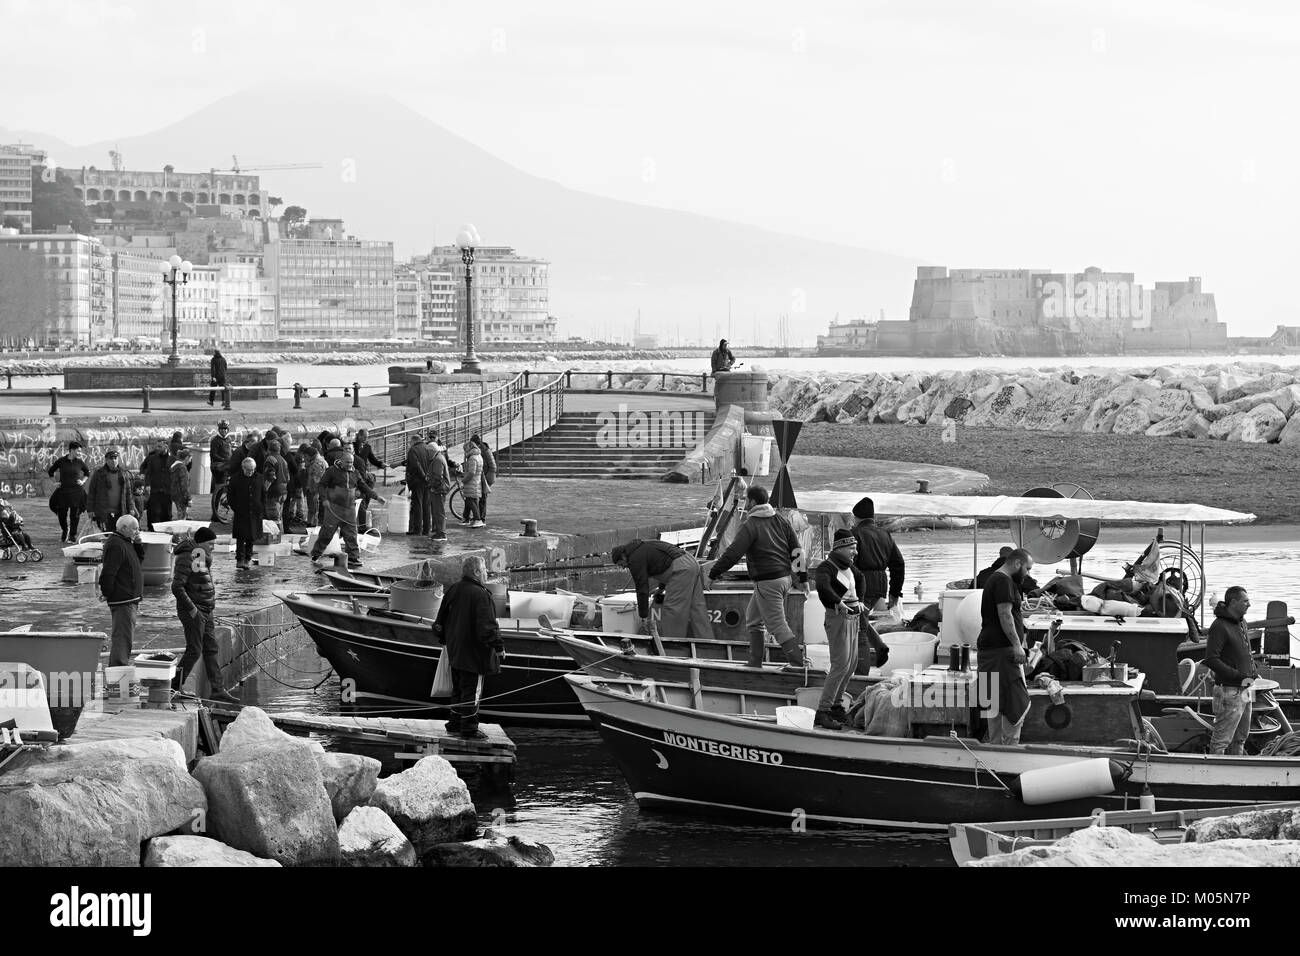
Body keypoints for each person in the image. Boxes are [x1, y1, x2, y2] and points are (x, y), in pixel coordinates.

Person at [707, 485, 805, 668]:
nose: (745, 502)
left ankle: (799, 666)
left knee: (777, 625)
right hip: (785, 578)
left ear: (752, 502)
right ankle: (754, 662)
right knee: (753, 618)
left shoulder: (750, 525)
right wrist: (803, 578)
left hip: (768, 581)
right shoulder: (781, 520)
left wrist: (714, 573)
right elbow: (797, 549)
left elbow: (733, 553)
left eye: (745, 499)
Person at [432, 555, 504, 740]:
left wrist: (444, 639)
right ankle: (469, 728)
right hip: (474, 653)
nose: (487, 572)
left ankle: (455, 723)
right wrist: (498, 646)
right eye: (485, 569)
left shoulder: (454, 589)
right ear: (476, 572)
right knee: (472, 691)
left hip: (455, 650)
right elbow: (487, 626)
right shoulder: (481, 594)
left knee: (458, 689)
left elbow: (440, 621)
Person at [171, 527, 238, 704]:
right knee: (194, 650)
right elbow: (177, 587)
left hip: (206, 610)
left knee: (211, 649)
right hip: (193, 611)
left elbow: (200, 582)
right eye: (211, 543)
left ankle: (217, 690)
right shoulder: (188, 556)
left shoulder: (199, 555)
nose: (213, 547)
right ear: (200, 543)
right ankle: (174, 686)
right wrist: (193, 610)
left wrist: (208, 606)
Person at [976, 547, 1034, 746]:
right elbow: (1004, 614)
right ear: (1017, 563)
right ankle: (1010, 750)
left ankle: (995, 749)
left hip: (989, 651)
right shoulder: (1003, 581)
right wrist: (1017, 645)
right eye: (1027, 568)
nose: (1028, 574)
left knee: (993, 703)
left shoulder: (995, 578)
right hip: (1002, 653)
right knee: (1014, 703)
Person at [813, 530, 870, 729]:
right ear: (840, 548)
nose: (855, 552)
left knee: (851, 664)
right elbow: (822, 586)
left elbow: (861, 579)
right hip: (838, 618)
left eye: (855, 548)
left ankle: (836, 706)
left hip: (853, 618)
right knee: (839, 666)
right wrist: (837, 601)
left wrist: (860, 601)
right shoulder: (826, 567)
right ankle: (823, 711)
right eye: (852, 548)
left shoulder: (849, 568)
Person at [612, 539, 713, 640]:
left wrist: (643, 616)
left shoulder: (634, 559)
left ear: (623, 556)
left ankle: (672, 646)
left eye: (621, 564)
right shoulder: (644, 546)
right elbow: (664, 563)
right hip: (692, 563)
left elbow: (642, 588)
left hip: (681, 570)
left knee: (672, 610)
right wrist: (660, 589)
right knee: (697, 608)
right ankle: (708, 643)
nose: (624, 567)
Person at [1204, 586, 1257, 756]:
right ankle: (1214, 776)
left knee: (1241, 737)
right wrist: (1238, 676)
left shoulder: (1242, 622)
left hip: (1247, 688)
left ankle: (1237, 771)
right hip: (1229, 690)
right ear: (1233, 602)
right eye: (1245, 601)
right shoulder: (1219, 626)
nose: (1249, 604)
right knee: (1221, 740)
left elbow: (1245, 652)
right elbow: (1211, 659)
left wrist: (1253, 672)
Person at [311, 452, 383, 569]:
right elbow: (321, 486)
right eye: (347, 462)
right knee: (327, 533)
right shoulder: (331, 471)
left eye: (351, 462)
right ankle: (316, 554)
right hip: (333, 508)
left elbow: (363, 486)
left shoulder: (355, 473)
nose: (350, 465)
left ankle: (353, 557)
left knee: (352, 533)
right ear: (341, 461)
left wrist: (376, 497)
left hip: (349, 509)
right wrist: (324, 499)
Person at [99, 515, 144, 666]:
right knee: (122, 639)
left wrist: (138, 544)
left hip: (129, 598)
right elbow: (108, 573)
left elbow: (139, 560)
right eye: (135, 529)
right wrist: (107, 592)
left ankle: (119, 673)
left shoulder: (126, 542)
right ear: (124, 528)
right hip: (123, 599)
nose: (137, 532)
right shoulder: (115, 545)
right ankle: (117, 675)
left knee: (125, 638)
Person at [849, 497, 905, 612]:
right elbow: (899, 564)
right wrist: (894, 593)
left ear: (856, 518)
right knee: (871, 621)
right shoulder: (885, 534)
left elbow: (848, 564)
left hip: (862, 586)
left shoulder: (854, 534)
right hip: (880, 587)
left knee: (859, 623)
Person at [47, 440, 90, 542]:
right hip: (63, 491)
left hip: (77, 492)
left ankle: (72, 535)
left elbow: (87, 473)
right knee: (62, 514)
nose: (80, 453)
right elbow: (50, 471)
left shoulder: (79, 462)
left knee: (75, 514)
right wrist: (55, 482)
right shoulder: (61, 461)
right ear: (71, 450)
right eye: (78, 451)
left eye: (80, 451)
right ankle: (65, 530)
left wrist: (83, 481)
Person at [86, 448, 136, 532]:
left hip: (120, 511)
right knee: (106, 535)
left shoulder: (124, 473)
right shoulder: (99, 473)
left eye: (115, 458)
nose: (113, 461)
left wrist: (131, 507)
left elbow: (128, 492)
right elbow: (92, 492)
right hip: (103, 511)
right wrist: (90, 509)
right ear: (106, 460)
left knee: (119, 533)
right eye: (111, 458)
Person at [227, 457, 264, 570]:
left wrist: (261, 507)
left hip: (255, 512)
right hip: (241, 511)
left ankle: (248, 558)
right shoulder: (235, 479)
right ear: (243, 468)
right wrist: (236, 508)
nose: (250, 472)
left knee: (251, 537)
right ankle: (240, 559)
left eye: (252, 469)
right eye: (248, 470)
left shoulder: (259, 477)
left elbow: (263, 494)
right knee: (241, 536)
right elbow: (230, 496)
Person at [352, 429, 385, 532]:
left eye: (368, 437)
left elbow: (372, 459)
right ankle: (360, 525)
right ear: (359, 436)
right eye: (365, 437)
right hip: (354, 473)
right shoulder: (352, 445)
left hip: (363, 473)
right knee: (360, 496)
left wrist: (380, 464)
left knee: (365, 493)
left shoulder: (367, 447)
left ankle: (364, 510)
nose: (367, 439)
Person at [404, 432, 435, 535]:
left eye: (410, 442)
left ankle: (417, 530)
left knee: (418, 505)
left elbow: (415, 465)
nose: (409, 444)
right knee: (426, 506)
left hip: (418, 481)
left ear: (414, 441)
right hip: (427, 481)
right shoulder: (427, 448)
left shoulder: (413, 450)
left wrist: (423, 476)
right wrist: (428, 477)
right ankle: (426, 529)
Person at [141, 437, 174, 530]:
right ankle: (152, 531)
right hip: (154, 491)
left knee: (167, 515)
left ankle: (165, 533)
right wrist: (147, 485)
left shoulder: (173, 459)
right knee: (154, 513)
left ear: (166, 446)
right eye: (156, 446)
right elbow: (148, 473)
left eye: (159, 446)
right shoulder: (152, 458)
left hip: (167, 492)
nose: (157, 448)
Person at [261, 439, 289, 533]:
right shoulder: (284, 460)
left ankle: (276, 538)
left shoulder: (270, 459)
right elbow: (288, 477)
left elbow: (271, 476)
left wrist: (265, 488)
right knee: (279, 516)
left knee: (273, 519)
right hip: (283, 491)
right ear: (279, 449)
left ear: (269, 449)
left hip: (273, 492)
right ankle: (281, 536)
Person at [209, 421, 233, 522]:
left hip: (227, 467)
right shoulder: (216, 440)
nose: (224, 431)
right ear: (219, 430)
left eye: (225, 429)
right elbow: (213, 454)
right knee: (218, 491)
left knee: (222, 490)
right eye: (222, 429)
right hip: (219, 468)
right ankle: (215, 514)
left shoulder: (228, 439)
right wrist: (224, 460)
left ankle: (217, 513)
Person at [429, 436, 451, 542]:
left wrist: (432, 486)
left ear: (432, 451)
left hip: (439, 488)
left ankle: (441, 533)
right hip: (440, 487)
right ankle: (439, 532)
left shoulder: (437, 459)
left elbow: (438, 476)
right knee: (438, 511)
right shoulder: (438, 457)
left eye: (428, 451)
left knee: (439, 511)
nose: (427, 454)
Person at [471, 433, 496, 521]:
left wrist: (486, 479)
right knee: (480, 497)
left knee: (483, 497)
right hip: (483, 476)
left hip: (486, 477)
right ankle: (479, 516)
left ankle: (481, 517)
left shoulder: (485, 450)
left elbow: (492, 466)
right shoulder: (482, 449)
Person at [460, 440, 484, 528]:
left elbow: (471, 472)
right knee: (472, 500)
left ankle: (477, 519)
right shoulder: (478, 456)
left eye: (465, 449)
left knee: (471, 500)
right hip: (476, 482)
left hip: (472, 482)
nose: (465, 452)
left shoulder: (472, 458)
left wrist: (464, 480)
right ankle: (473, 519)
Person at [300, 444, 325, 527]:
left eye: (305, 456)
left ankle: (312, 526)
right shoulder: (315, 461)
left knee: (314, 510)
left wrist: (316, 493)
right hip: (313, 490)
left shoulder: (317, 463)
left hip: (315, 491)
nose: (304, 458)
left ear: (310, 455)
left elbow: (318, 479)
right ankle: (311, 524)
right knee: (312, 510)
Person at [169, 448, 193, 519]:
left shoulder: (173, 466)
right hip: (181, 495)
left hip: (174, 493)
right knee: (182, 515)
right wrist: (189, 498)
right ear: (186, 457)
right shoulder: (182, 468)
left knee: (180, 513)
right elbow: (184, 485)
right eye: (190, 459)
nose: (190, 461)